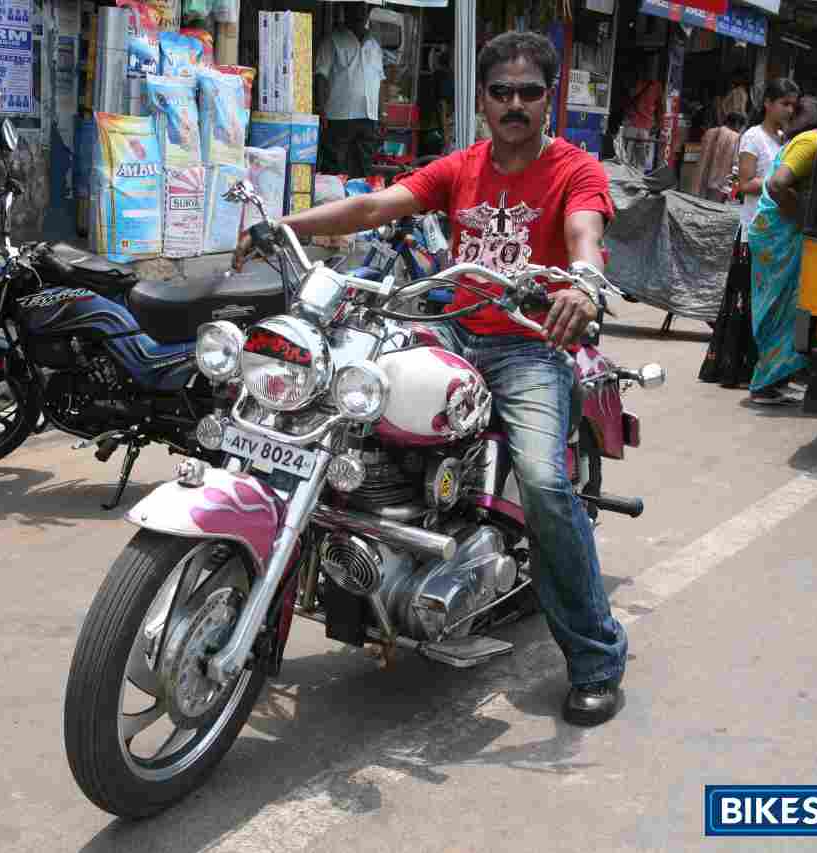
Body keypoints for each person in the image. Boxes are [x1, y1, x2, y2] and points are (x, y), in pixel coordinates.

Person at [234, 31, 627, 727]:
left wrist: (583, 285)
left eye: (528, 92)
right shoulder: (461, 167)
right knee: (336, 401)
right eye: (500, 91)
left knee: (541, 480)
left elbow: (584, 236)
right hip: (450, 323)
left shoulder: (574, 170)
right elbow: (373, 208)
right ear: (482, 99)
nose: (513, 103)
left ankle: (596, 656)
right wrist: (285, 225)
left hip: (529, 345)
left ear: (549, 99)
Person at [699, 78, 799, 396]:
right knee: (749, 302)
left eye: (793, 105)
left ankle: (771, 370)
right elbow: (744, 184)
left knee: (774, 303)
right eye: (784, 103)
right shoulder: (753, 138)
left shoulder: (785, 139)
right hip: (754, 231)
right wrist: (779, 179)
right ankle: (740, 369)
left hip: (778, 234)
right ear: (768, 103)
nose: (789, 110)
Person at [747, 97, 817, 401]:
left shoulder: (806, 140)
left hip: (777, 232)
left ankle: (775, 378)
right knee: (778, 307)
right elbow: (778, 185)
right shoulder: (812, 143)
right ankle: (765, 383)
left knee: (784, 306)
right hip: (777, 234)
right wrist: (805, 217)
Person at [315, 3, 385, 178]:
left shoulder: (374, 45)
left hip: (368, 117)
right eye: (355, 8)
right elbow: (321, 76)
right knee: (335, 167)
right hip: (339, 116)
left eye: (363, 9)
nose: (360, 13)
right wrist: (321, 109)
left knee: (364, 167)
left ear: (368, 13)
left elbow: (380, 80)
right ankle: (335, 203)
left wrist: (382, 114)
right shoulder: (332, 40)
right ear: (345, 11)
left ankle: (359, 201)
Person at [692, 112, 745, 203]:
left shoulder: (709, 132)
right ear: (737, 124)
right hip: (721, 184)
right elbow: (736, 163)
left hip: (703, 178)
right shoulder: (736, 138)